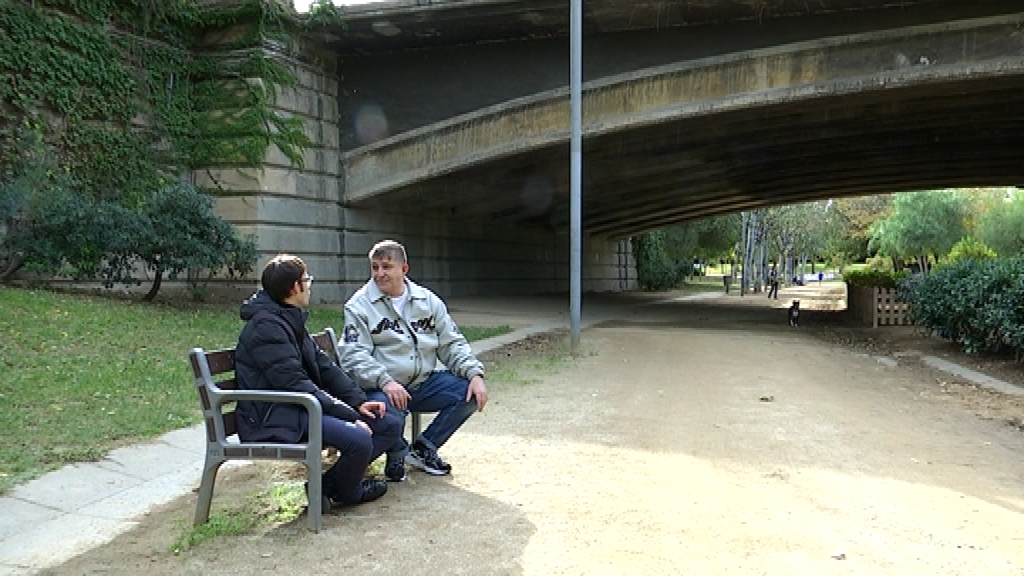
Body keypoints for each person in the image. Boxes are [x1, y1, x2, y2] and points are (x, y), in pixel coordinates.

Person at [234, 254, 402, 508]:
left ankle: (326, 487)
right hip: (274, 414)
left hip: (297, 407)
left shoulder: (287, 317)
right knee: (359, 439)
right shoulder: (266, 327)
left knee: (388, 425)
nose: (309, 284)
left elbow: (325, 368)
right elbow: (295, 383)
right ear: (294, 288)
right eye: (306, 279)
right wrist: (348, 417)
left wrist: (357, 403)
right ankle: (349, 493)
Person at [341, 240, 488, 480]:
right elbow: (354, 355)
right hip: (382, 390)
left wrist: (474, 374)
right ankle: (397, 452)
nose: (380, 274)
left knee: (468, 393)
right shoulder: (359, 306)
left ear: (404, 269)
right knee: (389, 411)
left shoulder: (428, 301)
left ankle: (423, 449)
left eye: (387, 267)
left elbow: (452, 343)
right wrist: (385, 381)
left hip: (422, 383)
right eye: (375, 267)